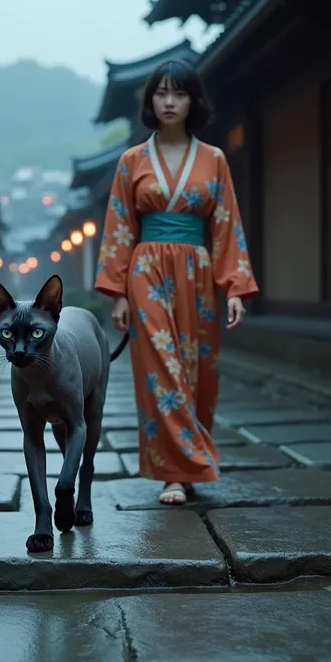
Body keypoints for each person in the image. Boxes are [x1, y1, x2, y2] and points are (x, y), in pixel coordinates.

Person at [94, 59, 259, 505]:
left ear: (193, 101)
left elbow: (227, 224)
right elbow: (120, 226)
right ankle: (176, 471)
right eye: (161, 93)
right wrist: (117, 292)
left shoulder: (214, 159)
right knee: (161, 368)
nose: (169, 102)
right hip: (146, 270)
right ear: (149, 100)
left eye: (179, 93)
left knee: (196, 372)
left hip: (197, 273)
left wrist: (236, 286)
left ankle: (185, 470)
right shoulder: (132, 161)